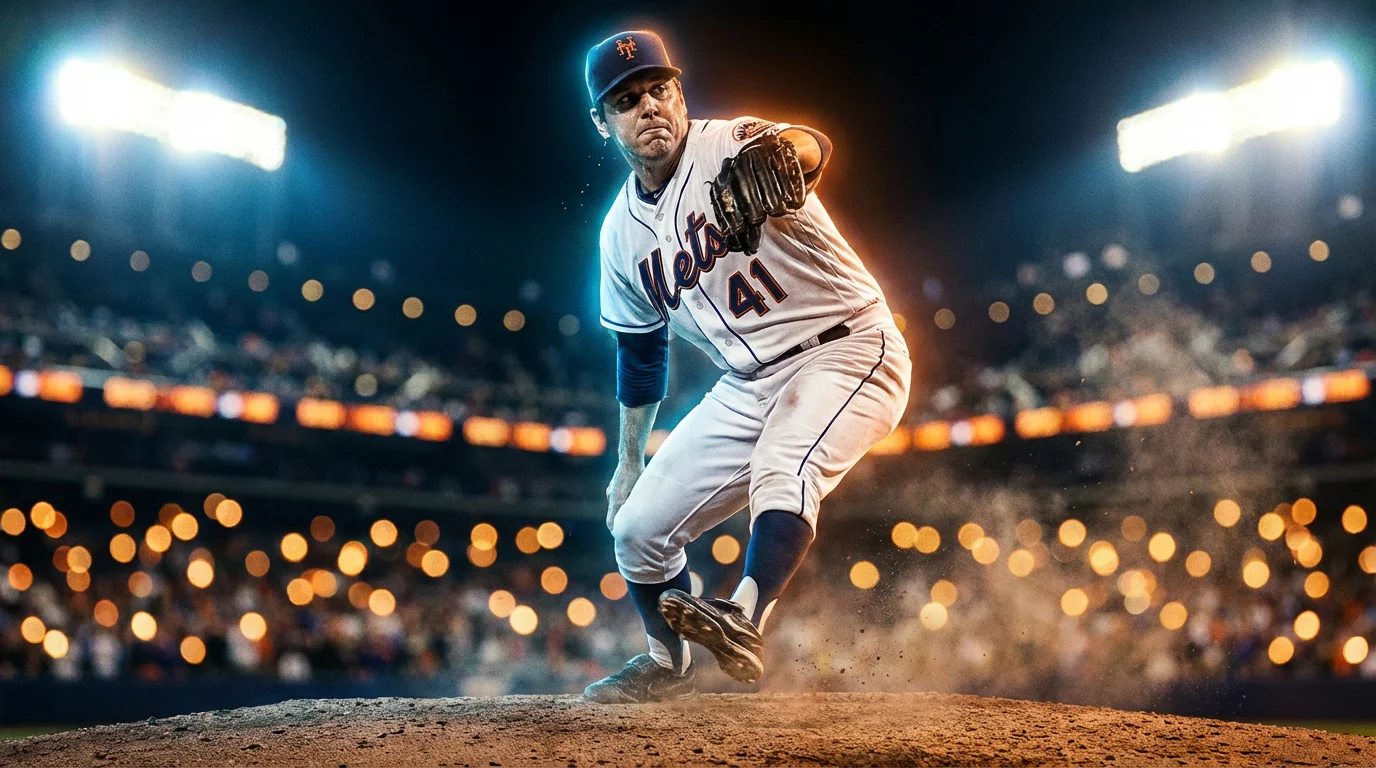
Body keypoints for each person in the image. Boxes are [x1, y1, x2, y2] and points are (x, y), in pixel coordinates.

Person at [581, 29, 911, 703]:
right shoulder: (619, 235)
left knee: (783, 462)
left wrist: (791, 154)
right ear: (602, 122)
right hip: (749, 384)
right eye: (626, 99)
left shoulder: (729, 144)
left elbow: (810, 145)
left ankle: (743, 616)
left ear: (679, 94)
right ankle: (665, 665)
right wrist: (628, 460)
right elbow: (642, 351)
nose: (649, 107)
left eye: (660, 89)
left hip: (847, 347)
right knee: (637, 528)